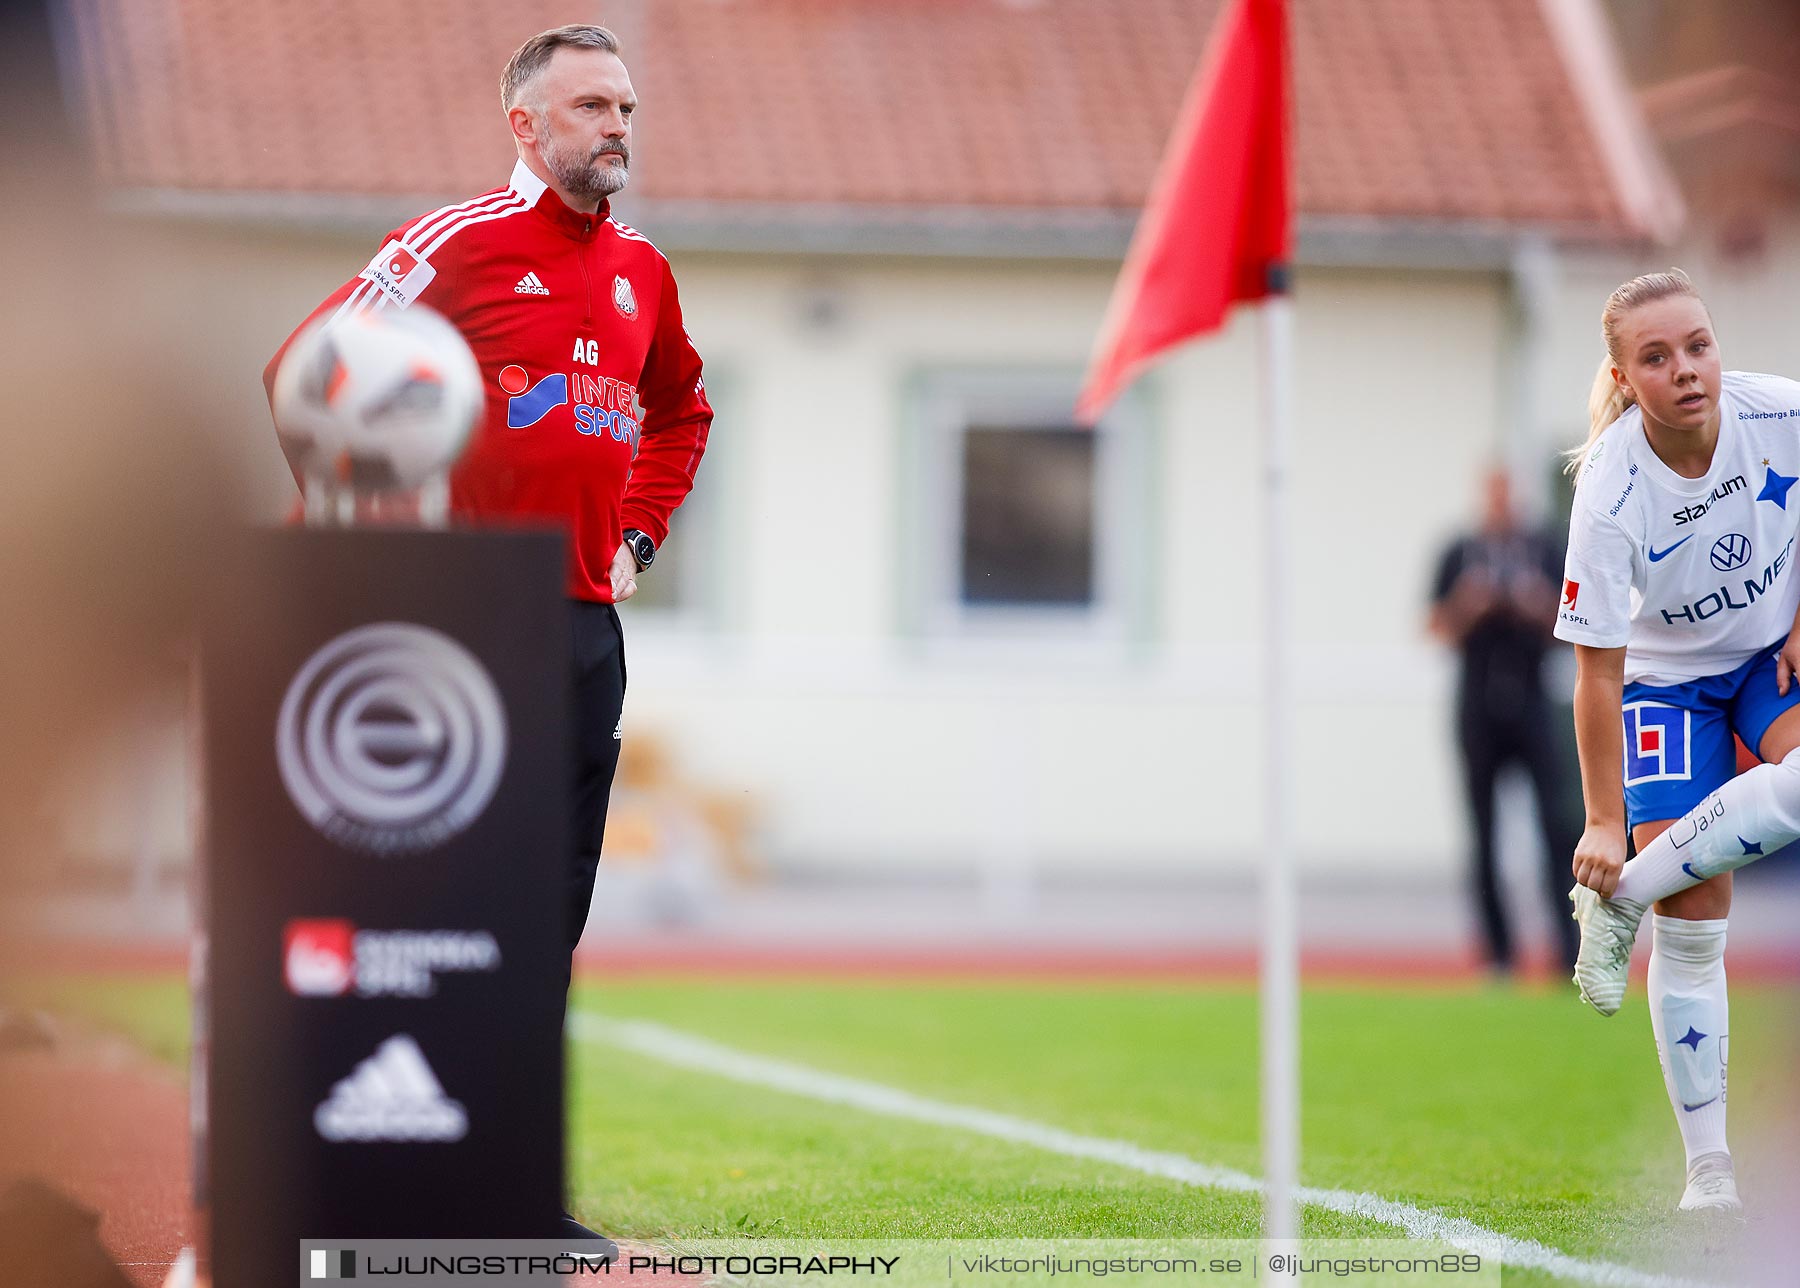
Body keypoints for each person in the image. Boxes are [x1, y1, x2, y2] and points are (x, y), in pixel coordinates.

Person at [264, 25, 713, 1253]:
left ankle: (512, 1193)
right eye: (591, 106)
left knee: (544, 927)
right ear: (527, 126)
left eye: (627, 103)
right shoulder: (454, 244)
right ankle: (348, 1168)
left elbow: (682, 409)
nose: (618, 124)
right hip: (448, 634)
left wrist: (640, 537)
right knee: (419, 919)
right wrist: (366, 545)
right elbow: (308, 371)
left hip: (581, 634)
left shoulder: (645, 275)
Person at [1557, 267, 1800, 1216]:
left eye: (1697, 345)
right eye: (1656, 357)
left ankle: (1621, 910)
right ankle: (1710, 1174)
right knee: (1697, 929)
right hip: (1663, 686)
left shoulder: (1777, 414)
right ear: (1624, 379)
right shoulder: (1612, 491)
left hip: (1764, 663)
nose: (1687, 370)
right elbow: (1598, 675)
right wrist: (1604, 825)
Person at [1429, 469, 1579, 974]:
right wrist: (1469, 606)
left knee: (1556, 829)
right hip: (1477, 706)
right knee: (1483, 833)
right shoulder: (1459, 551)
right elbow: (1434, 628)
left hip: (1534, 702)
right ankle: (1498, 954)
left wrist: (1536, 606)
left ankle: (1568, 949)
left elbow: (1575, 624)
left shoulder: (1543, 549)